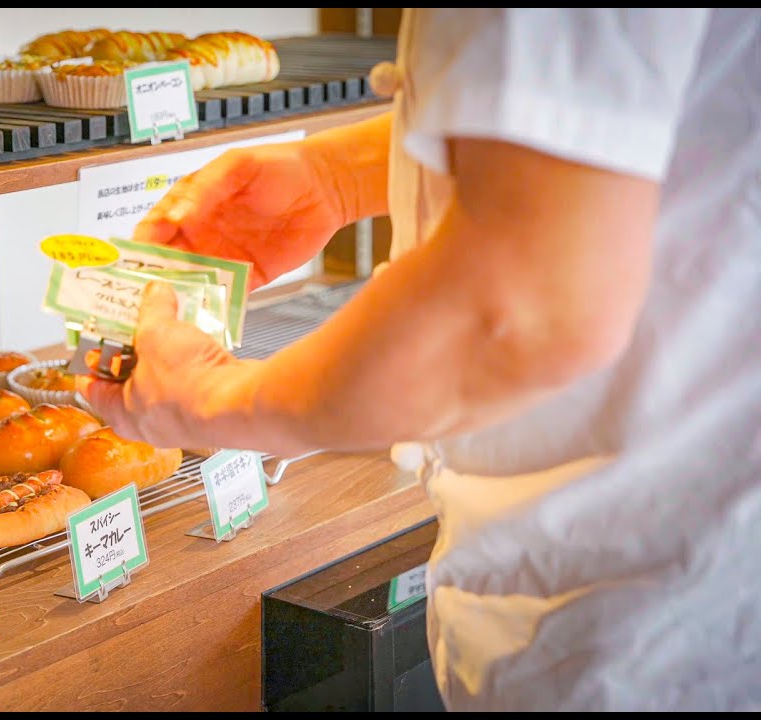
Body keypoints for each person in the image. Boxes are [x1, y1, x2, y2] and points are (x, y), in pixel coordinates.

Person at [77, 8, 761, 712]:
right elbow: (635, 114)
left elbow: (513, 314)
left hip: (640, 621)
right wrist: (340, 173)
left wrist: (212, 399)